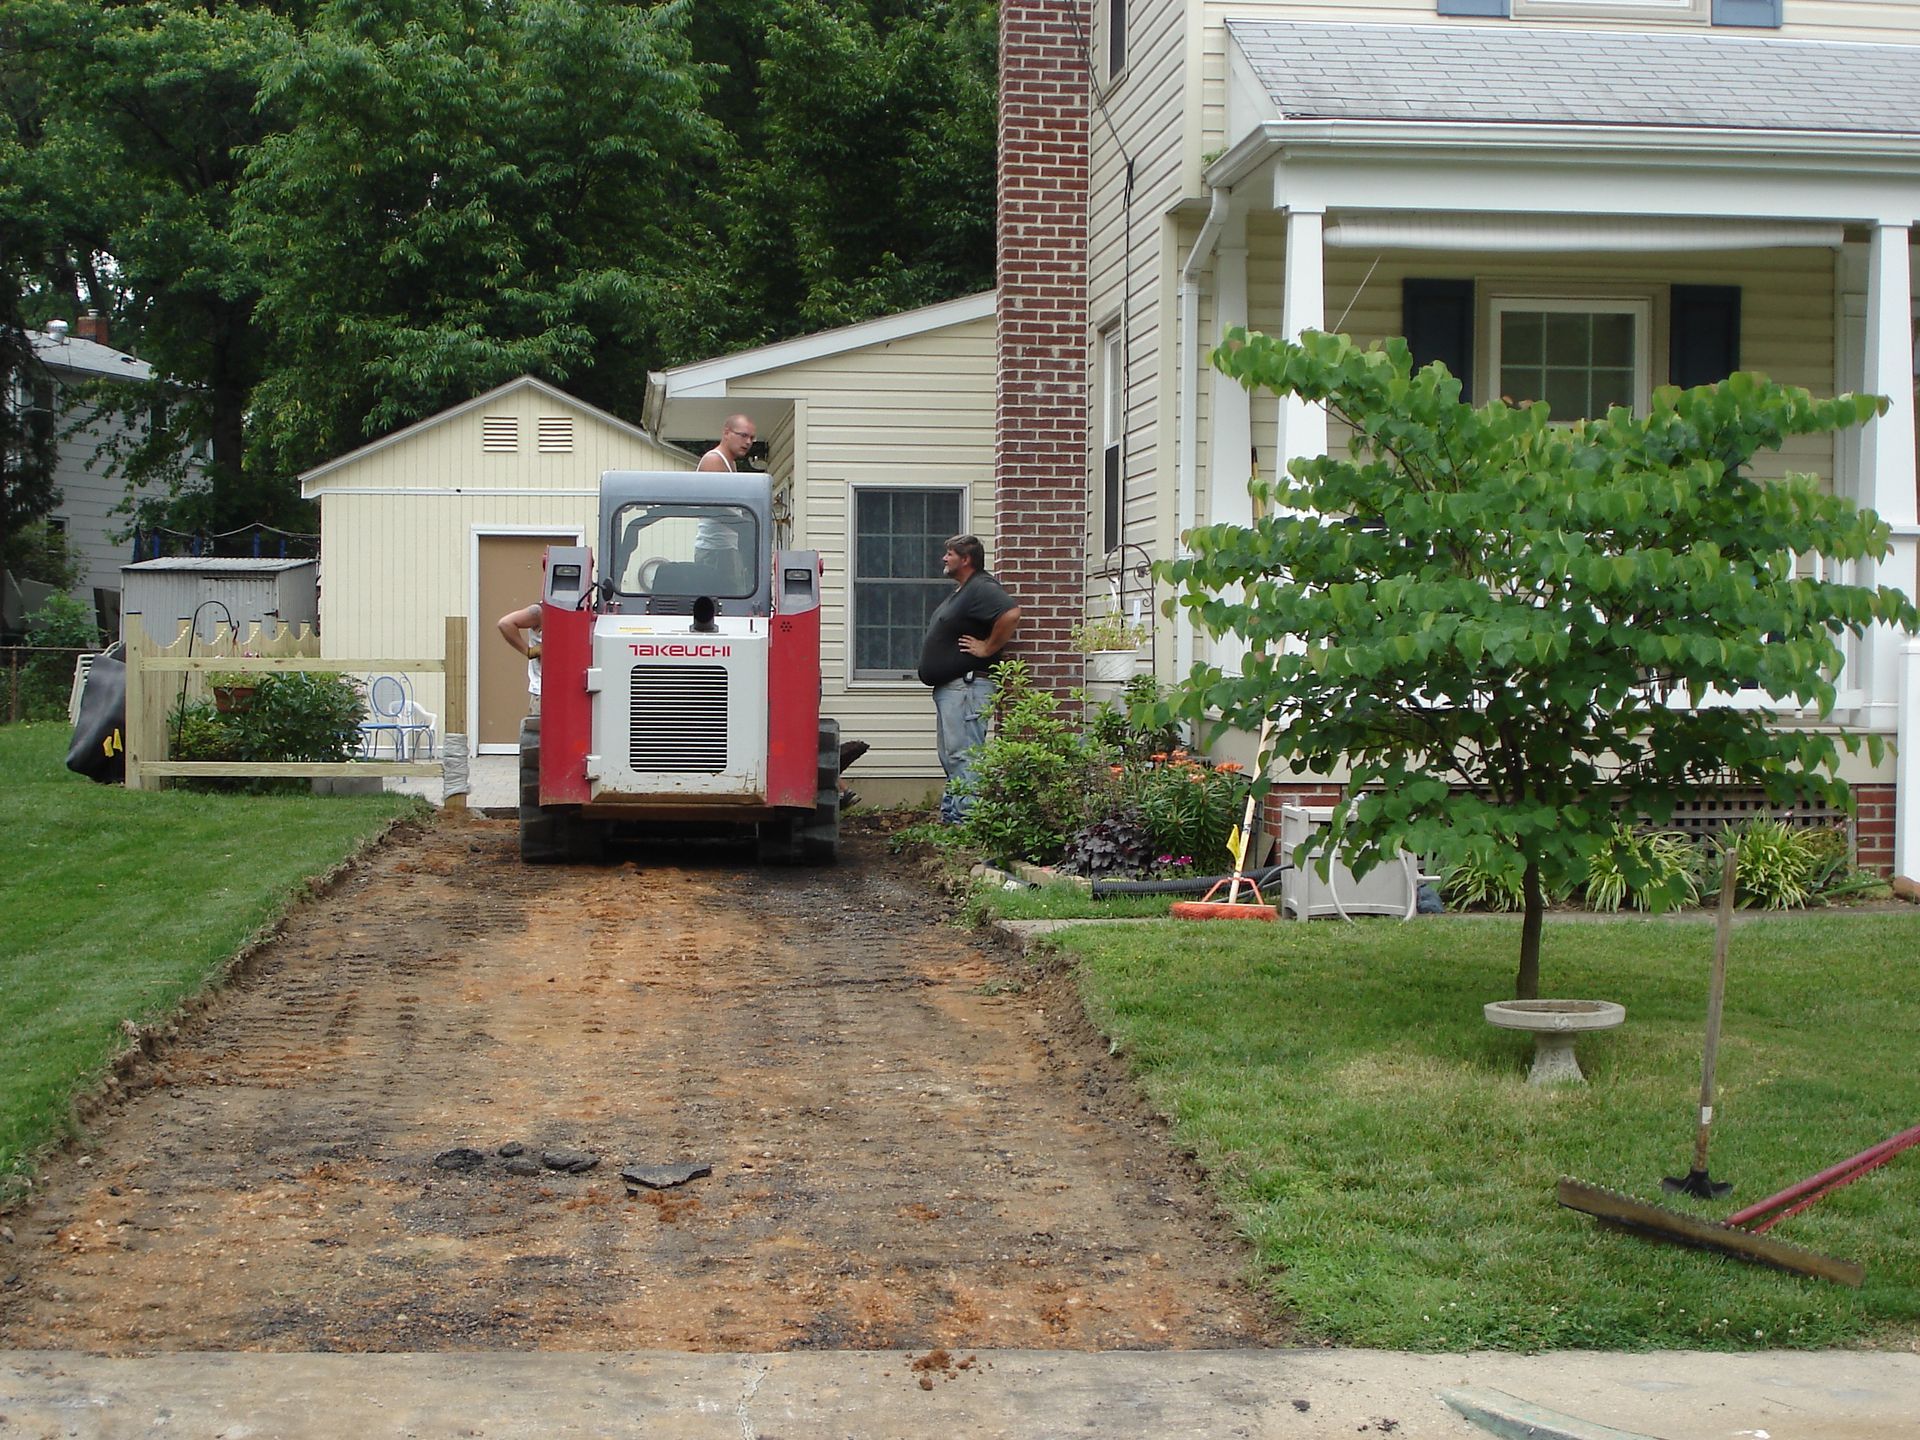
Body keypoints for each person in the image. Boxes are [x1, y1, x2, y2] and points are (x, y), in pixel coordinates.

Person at [917, 534, 1020, 824]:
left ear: (967, 559)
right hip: (955, 688)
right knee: (952, 755)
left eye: (950, 553)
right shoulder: (964, 590)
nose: (944, 558)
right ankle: (953, 817)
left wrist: (988, 647)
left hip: (968, 687)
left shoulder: (982, 587)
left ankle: (968, 822)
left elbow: (1011, 613)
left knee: (965, 755)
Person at [692, 414, 756, 588]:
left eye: (752, 438)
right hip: (715, 552)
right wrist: (747, 527)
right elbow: (713, 509)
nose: (748, 442)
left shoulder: (730, 464)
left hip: (726, 549)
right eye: (743, 435)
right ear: (726, 433)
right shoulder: (714, 461)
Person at [497, 602, 542, 712]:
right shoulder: (541, 611)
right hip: (543, 693)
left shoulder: (582, 611)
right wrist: (528, 651)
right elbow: (505, 624)